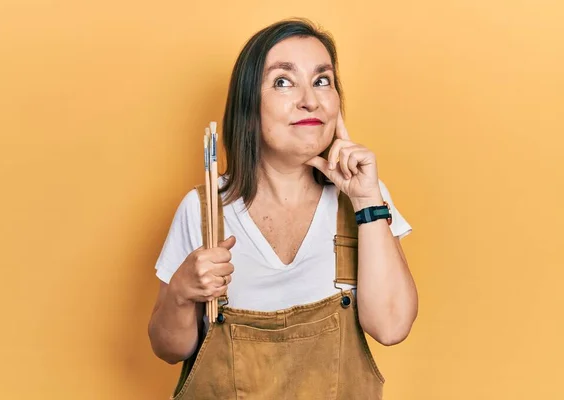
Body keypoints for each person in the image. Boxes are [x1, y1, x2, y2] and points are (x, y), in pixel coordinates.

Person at [148, 18, 418, 399]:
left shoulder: (362, 199)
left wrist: (367, 200)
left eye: (322, 80)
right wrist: (181, 292)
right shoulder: (205, 209)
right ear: (249, 107)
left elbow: (391, 328)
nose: (310, 99)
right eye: (283, 81)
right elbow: (168, 349)